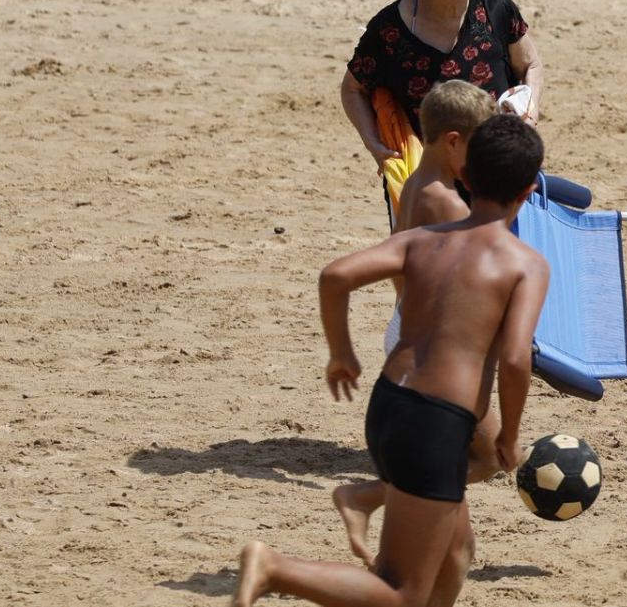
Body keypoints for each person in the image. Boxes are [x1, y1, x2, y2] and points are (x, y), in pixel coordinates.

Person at [232, 115, 550, 607]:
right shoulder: (523, 263)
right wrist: (508, 434)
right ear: (528, 191)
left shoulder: (422, 240)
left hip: (389, 406)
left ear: (465, 176)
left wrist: (342, 352)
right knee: (401, 592)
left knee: (455, 549)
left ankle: (360, 498)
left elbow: (335, 276)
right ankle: (274, 568)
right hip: (437, 423)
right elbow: (513, 360)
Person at [331, 79, 500, 573]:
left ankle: (378, 506)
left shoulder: (420, 185)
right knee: (489, 456)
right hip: (430, 350)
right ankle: (369, 497)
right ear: (452, 141)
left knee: (454, 535)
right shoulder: (445, 203)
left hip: (413, 332)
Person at [342, 0, 542, 171]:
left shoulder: (496, 8)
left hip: (500, 162)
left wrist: (530, 110)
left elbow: (531, 66)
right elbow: (353, 89)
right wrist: (374, 145)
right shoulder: (390, 30)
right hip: (425, 172)